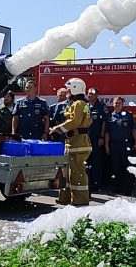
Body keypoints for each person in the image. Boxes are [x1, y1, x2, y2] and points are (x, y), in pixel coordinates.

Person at [50, 78, 93, 206]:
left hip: (78, 142)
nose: (67, 91)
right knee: (68, 172)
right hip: (74, 141)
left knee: (77, 173)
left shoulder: (79, 104)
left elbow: (75, 122)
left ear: (75, 88)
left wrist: (58, 128)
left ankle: (80, 201)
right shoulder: (78, 103)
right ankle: (66, 198)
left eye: (69, 88)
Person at [105, 97, 136, 195]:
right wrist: (107, 146)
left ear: (122, 104)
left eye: (119, 103)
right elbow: (107, 133)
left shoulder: (128, 116)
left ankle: (128, 189)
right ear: (113, 104)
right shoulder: (110, 117)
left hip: (127, 145)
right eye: (116, 103)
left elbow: (133, 130)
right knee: (116, 167)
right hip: (114, 145)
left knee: (127, 167)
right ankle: (118, 187)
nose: (117, 105)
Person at [86, 87, 108, 192]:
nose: (90, 95)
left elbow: (104, 122)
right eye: (88, 93)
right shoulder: (85, 106)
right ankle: (87, 183)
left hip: (97, 138)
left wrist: (101, 137)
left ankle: (96, 184)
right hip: (86, 138)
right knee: (86, 161)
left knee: (97, 162)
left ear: (97, 95)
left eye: (92, 93)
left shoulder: (101, 106)